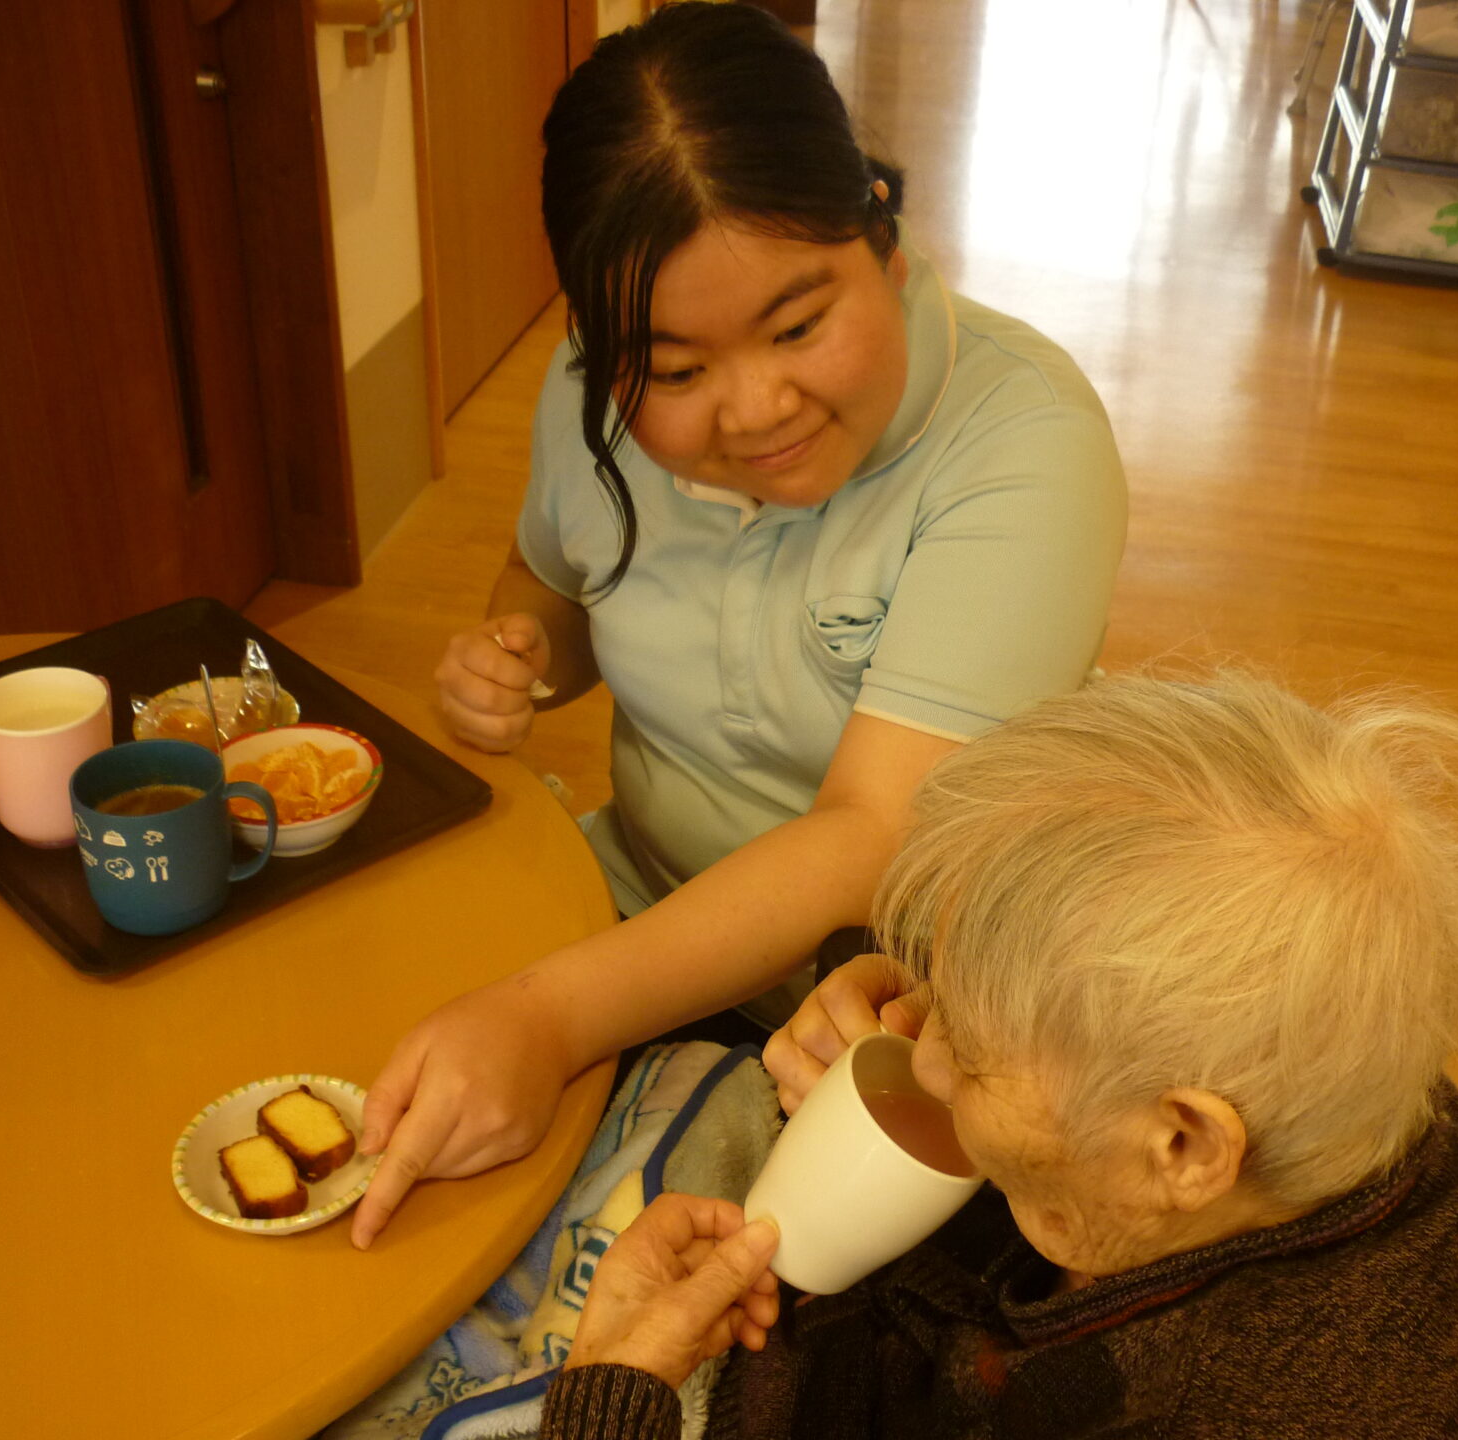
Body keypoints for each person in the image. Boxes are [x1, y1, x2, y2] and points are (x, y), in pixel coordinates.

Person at [350, 1, 1127, 1247]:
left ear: (881, 226)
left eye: (799, 324)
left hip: (904, 1017)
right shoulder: (584, 399)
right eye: (674, 369)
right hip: (640, 917)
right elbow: (548, 582)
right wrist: (521, 662)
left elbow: (870, 834)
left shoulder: (1026, 445)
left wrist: (550, 1019)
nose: (756, 409)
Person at [541, 670, 1458, 1438]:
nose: (920, 1052)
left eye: (971, 1040)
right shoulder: (1325, 1052)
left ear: (1183, 1144)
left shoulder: (1283, 1402)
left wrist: (611, 1401)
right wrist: (924, 1002)